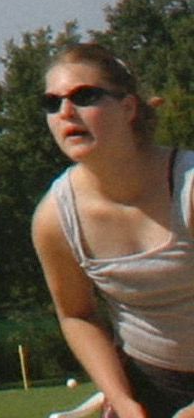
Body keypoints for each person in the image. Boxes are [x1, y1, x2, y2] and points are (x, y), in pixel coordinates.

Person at [32, 41, 194, 418]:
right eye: (51, 103)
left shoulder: (187, 188)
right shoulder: (54, 218)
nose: (66, 112)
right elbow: (77, 315)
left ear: (129, 107)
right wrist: (121, 399)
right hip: (151, 383)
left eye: (85, 96)